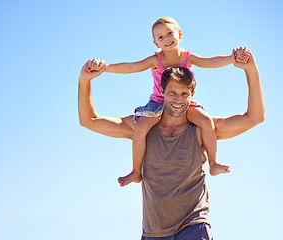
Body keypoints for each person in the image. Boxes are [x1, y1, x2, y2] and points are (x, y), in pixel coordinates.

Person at [78, 48, 264, 239]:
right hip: (154, 233)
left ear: (192, 95)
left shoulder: (201, 129)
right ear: (161, 92)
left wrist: (251, 69)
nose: (178, 100)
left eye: (184, 94)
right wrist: (85, 80)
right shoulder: (141, 128)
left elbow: (254, 117)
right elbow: (89, 121)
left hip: (194, 226)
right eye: (172, 93)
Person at [87, 17, 250, 187]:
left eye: (170, 33)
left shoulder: (188, 57)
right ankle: (136, 171)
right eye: (161, 37)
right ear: (156, 43)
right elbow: (131, 67)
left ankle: (214, 163)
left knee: (206, 121)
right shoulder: (155, 60)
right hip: (158, 102)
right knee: (140, 128)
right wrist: (105, 68)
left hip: (183, 102)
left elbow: (210, 62)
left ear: (179, 34)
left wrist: (232, 59)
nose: (166, 39)